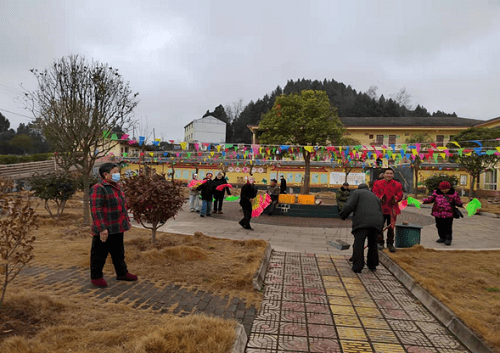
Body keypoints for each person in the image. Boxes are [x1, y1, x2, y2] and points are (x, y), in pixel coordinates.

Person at [89, 163, 137, 287]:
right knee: (99, 254)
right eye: (115, 172)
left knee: (118, 252)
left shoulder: (117, 187)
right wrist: (102, 228)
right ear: (106, 174)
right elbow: (96, 210)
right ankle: (96, 277)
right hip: (105, 228)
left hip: (118, 226)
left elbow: (121, 204)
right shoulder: (99, 188)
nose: (118, 174)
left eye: (118, 172)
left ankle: (122, 273)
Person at [339, 183, 384, 273]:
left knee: (359, 243)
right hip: (376, 223)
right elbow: (379, 210)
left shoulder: (357, 193)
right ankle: (372, 265)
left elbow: (349, 206)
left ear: (358, 188)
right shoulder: (374, 196)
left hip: (362, 223)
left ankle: (357, 267)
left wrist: (343, 215)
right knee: (373, 244)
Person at [372, 168, 403, 252]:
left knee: (391, 227)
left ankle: (390, 244)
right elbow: (374, 193)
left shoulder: (398, 184)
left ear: (393, 175)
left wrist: (395, 198)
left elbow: (400, 195)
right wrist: (380, 198)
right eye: (387, 173)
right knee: (379, 226)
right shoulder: (377, 183)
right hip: (380, 208)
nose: (389, 175)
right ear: (384, 174)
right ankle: (380, 242)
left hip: (392, 209)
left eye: (391, 173)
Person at [422, 181, 463, 246]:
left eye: (446, 189)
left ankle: (448, 239)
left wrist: (461, 204)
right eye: (443, 189)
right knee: (439, 226)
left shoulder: (454, 194)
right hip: (438, 213)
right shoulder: (436, 193)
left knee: (448, 227)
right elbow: (430, 199)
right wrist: (423, 201)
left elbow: (458, 202)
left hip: (449, 213)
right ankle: (442, 237)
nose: (444, 191)